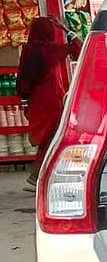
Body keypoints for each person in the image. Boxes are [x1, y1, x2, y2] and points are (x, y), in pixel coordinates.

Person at [16, 16, 78, 191]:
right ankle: (36, 177)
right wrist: (67, 30)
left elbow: (23, 83)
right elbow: (80, 48)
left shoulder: (28, 51)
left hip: (36, 105)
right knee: (52, 138)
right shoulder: (52, 51)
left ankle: (40, 176)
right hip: (52, 104)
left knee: (48, 140)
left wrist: (26, 105)